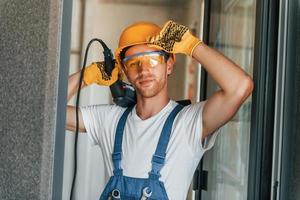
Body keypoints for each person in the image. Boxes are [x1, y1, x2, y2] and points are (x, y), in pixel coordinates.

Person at [66, 20, 254, 199]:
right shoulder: (109, 120)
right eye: (133, 63)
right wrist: (86, 76)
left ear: (169, 65)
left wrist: (192, 46)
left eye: (153, 60)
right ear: (124, 70)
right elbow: (50, 113)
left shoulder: (188, 123)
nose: (144, 70)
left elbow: (240, 87)